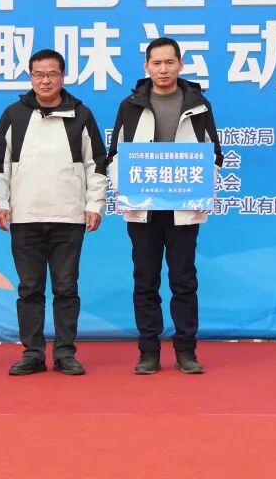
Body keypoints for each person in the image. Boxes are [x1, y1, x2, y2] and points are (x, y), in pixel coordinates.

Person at [106, 37, 223, 375]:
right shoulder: (130, 105)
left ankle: (186, 350)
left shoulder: (199, 105)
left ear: (181, 64)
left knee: (184, 280)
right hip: (142, 207)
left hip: (183, 206)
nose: (163, 69)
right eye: (156, 63)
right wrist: (124, 186)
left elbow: (213, 155)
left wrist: (203, 184)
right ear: (146, 67)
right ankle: (148, 351)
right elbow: (115, 155)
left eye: (169, 62)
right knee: (145, 280)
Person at [0, 48, 107, 376]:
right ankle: (32, 353)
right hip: (25, 216)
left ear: (63, 77)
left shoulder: (81, 115)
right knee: (29, 288)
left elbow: (96, 163)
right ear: (30, 77)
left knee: (66, 288)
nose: (45, 80)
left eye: (52, 74)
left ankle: (66, 353)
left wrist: (94, 204)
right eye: (38, 74)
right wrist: (0, 203)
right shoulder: (13, 114)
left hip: (68, 217)